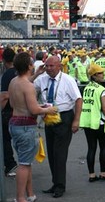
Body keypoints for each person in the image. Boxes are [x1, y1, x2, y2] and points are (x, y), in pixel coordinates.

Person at [8, 52, 57, 202]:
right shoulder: (28, 86)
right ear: (29, 66)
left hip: (15, 123)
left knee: (26, 161)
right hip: (26, 126)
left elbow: (14, 102)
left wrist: (36, 75)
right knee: (23, 164)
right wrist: (48, 109)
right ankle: (21, 197)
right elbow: (35, 110)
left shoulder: (13, 82)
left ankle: (29, 194)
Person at [33, 55, 83, 198]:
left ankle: (60, 186)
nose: (48, 69)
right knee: (52, 152)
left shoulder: (68, 80)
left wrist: (76, 120)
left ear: (59, 66)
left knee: (60, 153)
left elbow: (78, 100)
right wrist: (37, 73)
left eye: (51, 66)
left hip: (64, 117)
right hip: (48, 118)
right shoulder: (42, 79)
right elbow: (28, 85)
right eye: (47, 66)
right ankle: (55, 182)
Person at [79, 63, 105, 182]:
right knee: (103, 147)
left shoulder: (86, 88)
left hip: (88, 122)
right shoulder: (101, 89)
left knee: (91, 148)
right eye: (100, 73)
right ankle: (103, 173)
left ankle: (91, 175)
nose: (103, 74)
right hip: (99, 122)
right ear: (94, 76)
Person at [0, 48, 18, 177]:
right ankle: (24, 163)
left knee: (6, 139)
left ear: (4, 59)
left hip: (8, 111)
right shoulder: (18, 72)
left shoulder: (7, 75)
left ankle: (10, 164)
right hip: (20, 110)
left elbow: (5, 96)